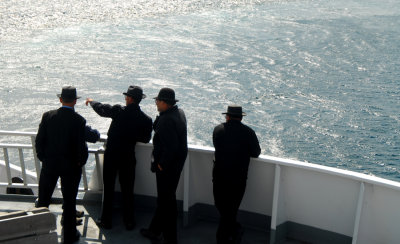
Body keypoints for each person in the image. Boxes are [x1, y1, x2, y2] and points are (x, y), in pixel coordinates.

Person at [86, 85, 152, 230]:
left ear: (129, 98)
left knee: (108, 188)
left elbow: (102, 109)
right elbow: (146, 138)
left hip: (112, 155)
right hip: (128, 156)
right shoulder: (146, 119)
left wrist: (91, 101)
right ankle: (129, 221)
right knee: (128, 189)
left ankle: (106, 220)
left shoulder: (118, 111)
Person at [35, 86, 90, 244]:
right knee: (69, 200)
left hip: (49, 165)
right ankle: (69, 235)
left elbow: (40, 141)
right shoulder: (79, 121)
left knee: (44, 199)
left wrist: (43, 158)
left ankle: (39, 232)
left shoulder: (48, 116)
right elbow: (81, 147)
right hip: (71, 167)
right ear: (75, 101)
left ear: (60, 100)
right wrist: (80, 162)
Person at [140, 88, 188, 244]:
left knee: (166, 203)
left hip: (167, 169)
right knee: (166, 200)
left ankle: (170, 238)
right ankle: (154, 230)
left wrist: (161, 164)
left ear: (165, 103)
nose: (156, 103)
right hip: (175, 167)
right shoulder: (179, 113)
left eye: (157, 101)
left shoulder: (166, 120)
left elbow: (171, 147)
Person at [212, 105, 261, 244]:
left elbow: (217, 146)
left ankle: (228, 235)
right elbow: (256, 152)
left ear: (227, 116)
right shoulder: (249, 132)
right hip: (238, 179)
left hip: (219, 177)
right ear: (241, 117)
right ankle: (233, 232)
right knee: (232, 208)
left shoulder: (218, 130)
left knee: (221, 206)